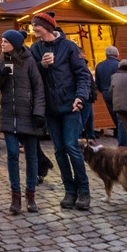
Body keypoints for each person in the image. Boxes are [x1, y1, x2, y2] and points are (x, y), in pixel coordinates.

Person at [31, 12, 92, 211]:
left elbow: (82, 75)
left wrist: (80, 97)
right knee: (58, 149)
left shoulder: (69, 47)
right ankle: (69, 190)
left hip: (70, 105)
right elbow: (33, 77)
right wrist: (42, 65)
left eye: (36, 26)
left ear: (47, 26)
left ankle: (83, 191)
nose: (34, 29)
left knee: (71, 146)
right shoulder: (36, 49)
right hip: (50, 108)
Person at [0, 28, 47, 213]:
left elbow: (38, 87)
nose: (2, 44)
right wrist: (2, 74)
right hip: (9, 116)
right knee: (12, 154)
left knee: (31, 157)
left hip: (29, 116)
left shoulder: (29, 62)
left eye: (5, 41)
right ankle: (15, 197)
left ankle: (31, 196)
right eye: (2, 41)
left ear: (14, 43)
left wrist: (39, 112)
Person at [94, 46, 125, 146]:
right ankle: (123, 139)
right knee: (121, 116)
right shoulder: (118, 65)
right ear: (116, 54)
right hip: (117, 92)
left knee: (113, 114)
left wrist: (102, 90)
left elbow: (97, 82)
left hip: (105, 93)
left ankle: (118, 133)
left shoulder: (99, 65)